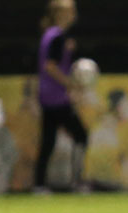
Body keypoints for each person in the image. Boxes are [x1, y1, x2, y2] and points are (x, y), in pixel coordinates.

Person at [34, 0, 88, 193]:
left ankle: (39, 185)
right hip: (57, 98)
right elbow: (50, 66)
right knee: (81, 135)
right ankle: (76, 181)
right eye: (71, 11)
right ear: (60, 14)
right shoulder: (57, 36)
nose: (74, 14)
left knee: (48, 140)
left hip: (47, 96)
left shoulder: (51, 35)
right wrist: (70, 85)